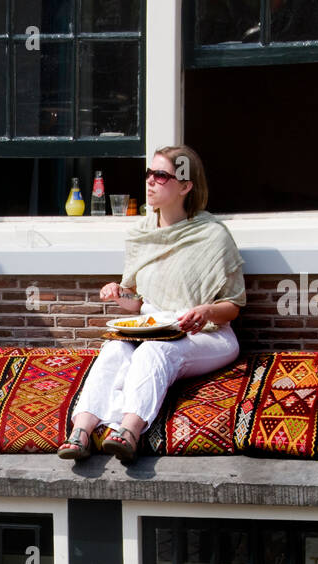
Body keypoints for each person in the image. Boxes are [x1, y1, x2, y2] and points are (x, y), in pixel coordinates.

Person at [59, 145, 246, 464]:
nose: (150, 181)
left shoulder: (213, 236)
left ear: (186, 186)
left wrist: (205, 311)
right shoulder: (141, 235)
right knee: (113, 350)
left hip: (206, 334)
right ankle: (81, 431)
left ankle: (129, 431)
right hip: (150, 328)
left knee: (153, 352)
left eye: (161, 175)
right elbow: (138, 305)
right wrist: (120, 294)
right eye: (149, 173)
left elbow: (234, 305)